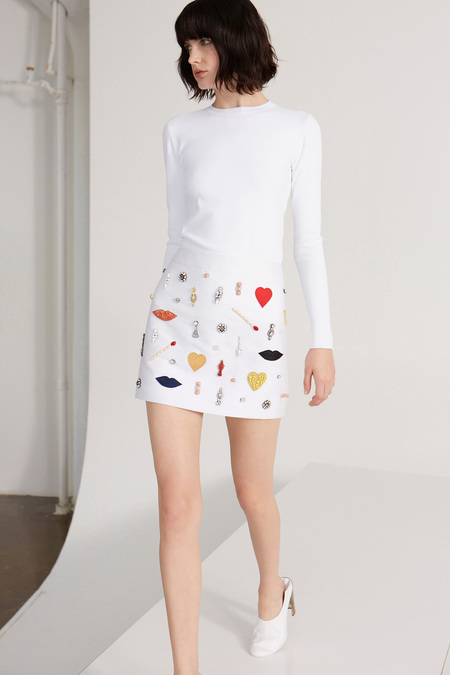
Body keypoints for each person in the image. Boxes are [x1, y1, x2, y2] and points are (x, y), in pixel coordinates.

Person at [135, 0, 336, 672]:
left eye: (205, 43)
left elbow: (306, 241)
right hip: (177, 323)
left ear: (236, 40)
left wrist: (322, 339)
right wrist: (167, 312)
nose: (193, 58)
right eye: (187, 46)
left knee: (252, 489)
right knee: (176, 505)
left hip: (256, 326)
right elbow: (176, 235)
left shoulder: (297, 128)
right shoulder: (180, 131)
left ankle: (271, 590)